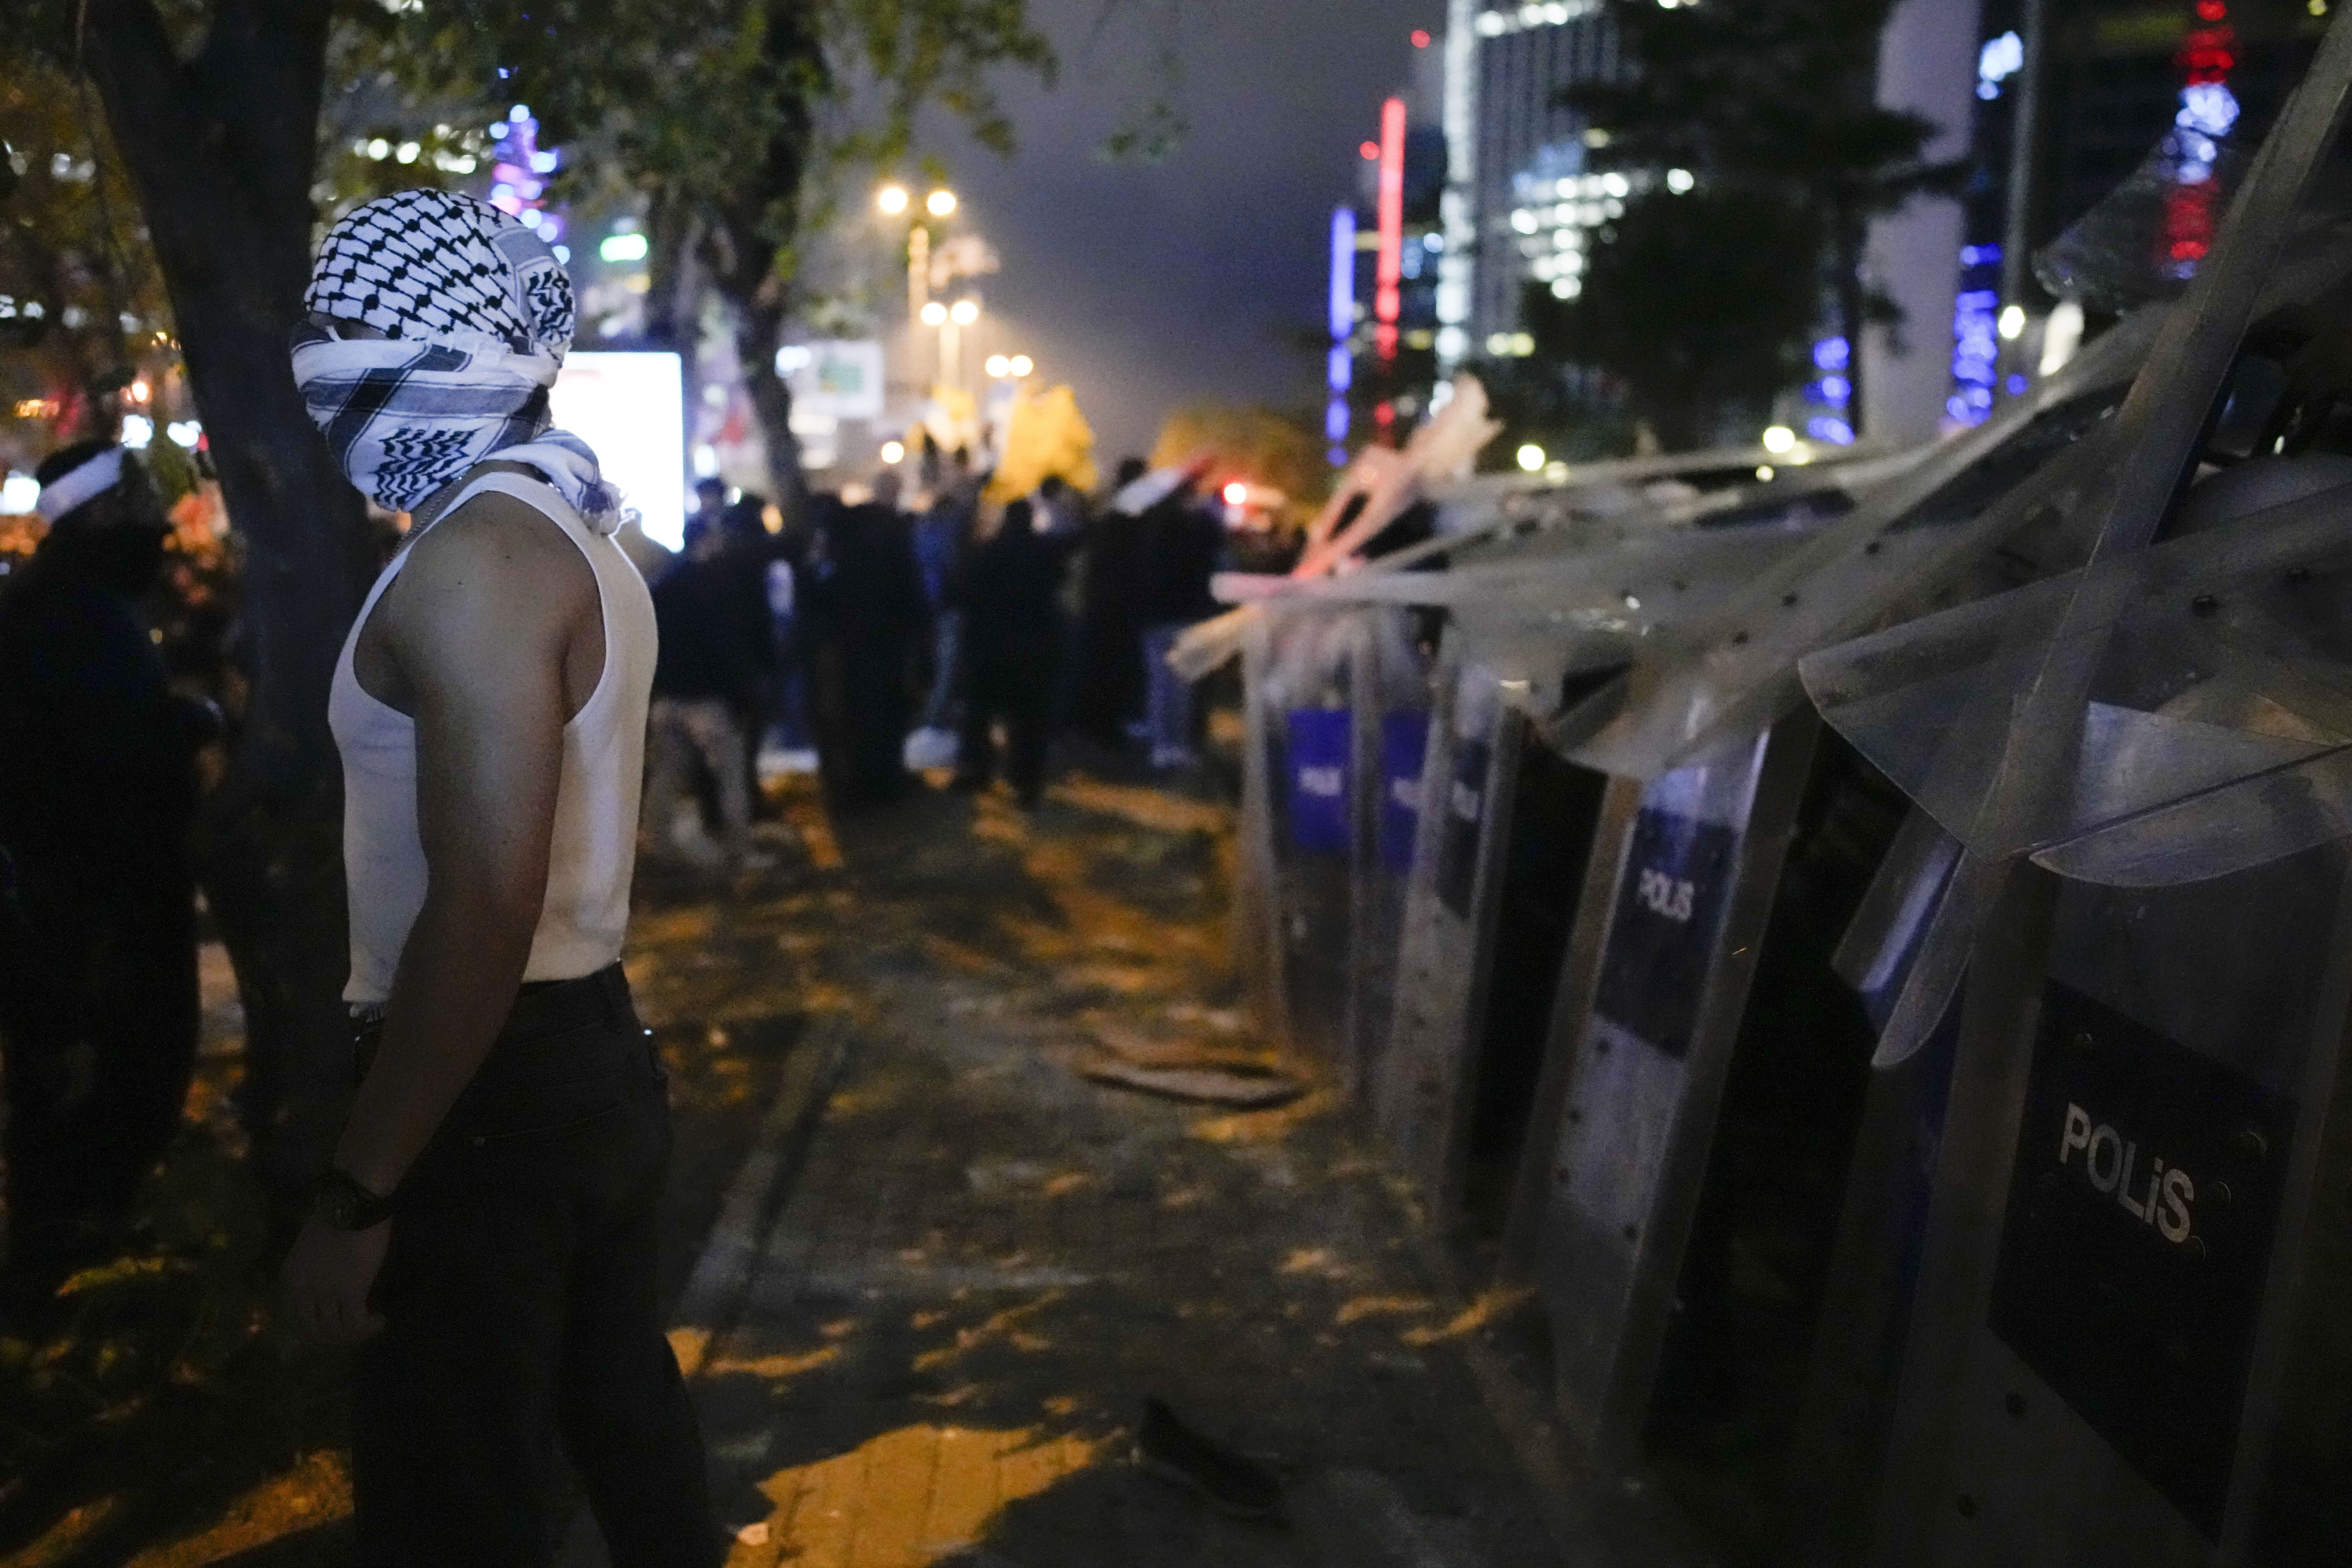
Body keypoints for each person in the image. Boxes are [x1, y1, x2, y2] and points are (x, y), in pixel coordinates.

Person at [278, 188, 719, 1567]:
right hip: (581, 1055)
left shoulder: (478, 562)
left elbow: (482, 904)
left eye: (345, 325)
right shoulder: (570, 531)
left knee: (452, 1503)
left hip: (488, 1097)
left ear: (438, 343)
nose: (317, 361)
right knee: (625, 1442)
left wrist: (360, 1193)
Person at [0, 441, 217, 1302]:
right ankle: (73, 1275)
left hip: (76, 888)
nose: (160, 525)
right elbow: (123, 743)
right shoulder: (74, 613)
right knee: (108, 1079)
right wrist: (193, 718)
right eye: (137, 506)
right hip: (94, 899)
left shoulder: (63, 602)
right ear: (100, 516)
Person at [641, 515, 773, 869]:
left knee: (666, 775)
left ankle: (661, 847)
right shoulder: (715, 586)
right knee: (730, 775)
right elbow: (727, 646)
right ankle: (741, 849)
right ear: (708, 540)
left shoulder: (662, 585)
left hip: (669, 698)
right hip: (707, 700)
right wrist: (743, 691)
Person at [801, 472, 928, 809]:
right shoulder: (888, 537)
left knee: (853, 721)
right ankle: (881, 785)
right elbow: (910, 595)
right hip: (883, 646)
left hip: (850, 650)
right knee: (882, 717)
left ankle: (856, 789)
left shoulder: (839, 550)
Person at [952, 498, 1069, 807]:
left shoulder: (986, 551)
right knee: (1029, 719)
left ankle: (976, 771)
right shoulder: (1045, 551)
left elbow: (962, 592)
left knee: (979, 713)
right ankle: (1025, 782)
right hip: (1033, 646)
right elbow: (1059, 584)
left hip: (988, 645)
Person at [1132, 475, 1224, 771]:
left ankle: (1160, 746)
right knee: (1184, 684)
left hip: (1155, 615)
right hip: (1188, 616)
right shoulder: (1199, 529)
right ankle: (1179, 745)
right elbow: (1215, 556)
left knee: (1159, 683)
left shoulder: (1154, 528)